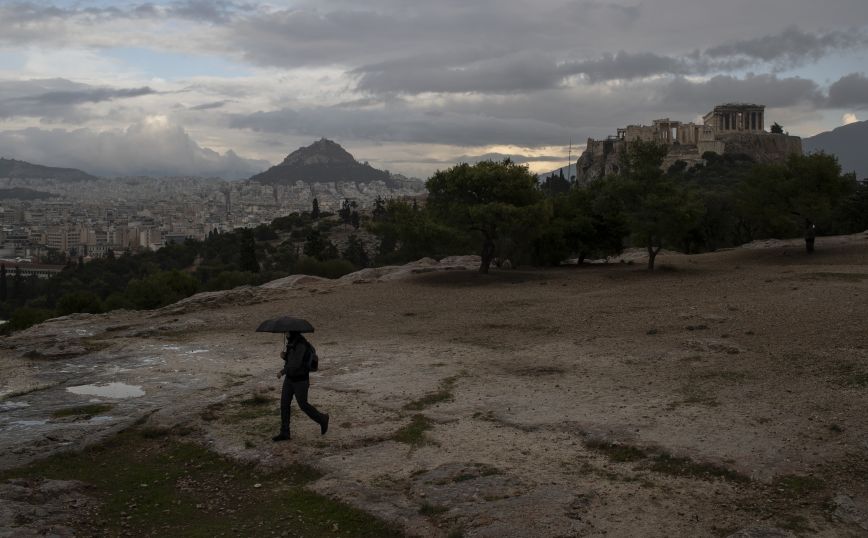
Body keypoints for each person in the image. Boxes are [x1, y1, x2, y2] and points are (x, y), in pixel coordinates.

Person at [273, 331, 329, 441]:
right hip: (290, 379)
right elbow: (291, 361)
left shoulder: (301, 345)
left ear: (293, 332)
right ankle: (285, 432)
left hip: (300, 381)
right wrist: (285, 357)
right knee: (284, 404)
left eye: (287, 331)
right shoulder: (291, 343)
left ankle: (322, 419)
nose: (286, 333)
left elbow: (295, 364)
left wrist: (282, 371)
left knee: (303, 405)